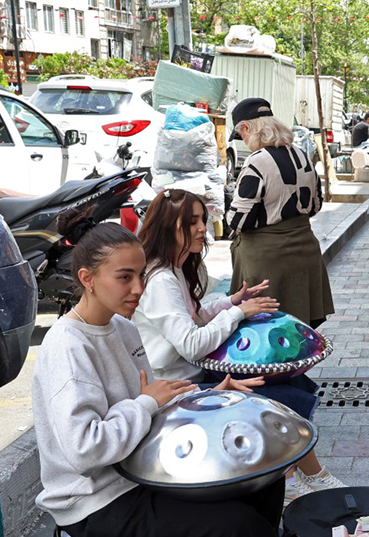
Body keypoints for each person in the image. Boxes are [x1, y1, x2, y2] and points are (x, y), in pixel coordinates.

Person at [32, 212, 354, 537]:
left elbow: (155, 399)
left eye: (140, 276)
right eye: (124, 277)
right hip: (95, 500)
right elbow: (85, 448)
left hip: (137, 471)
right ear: (88, 277)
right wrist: (148, 402)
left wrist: (208, 394)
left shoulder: (122, 330)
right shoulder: (67, 350)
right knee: (230, 523)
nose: (138, 289)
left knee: (263, 480)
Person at [134, 188, 346, 502]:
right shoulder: (162, 279)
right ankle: (289, 478)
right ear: (169, 227)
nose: (203, 229)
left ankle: (308, 473)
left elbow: (193, 318)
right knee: (267, 392)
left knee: (286, 379)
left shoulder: (174, 271)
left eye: (202, 220)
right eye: (192, 222)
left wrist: (232, 302)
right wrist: (236, 313)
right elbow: (192, 344)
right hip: (180, 388)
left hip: (195, 376)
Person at [226, 97, 334, 329]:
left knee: (266, 335)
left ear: (246, 127)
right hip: (304, 253)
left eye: (241, 135)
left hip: (267, 261)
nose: (243, 142)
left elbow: (239, 220)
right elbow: (315, 206)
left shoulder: (257, 162)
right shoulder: (302, 156)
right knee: (298, 334)